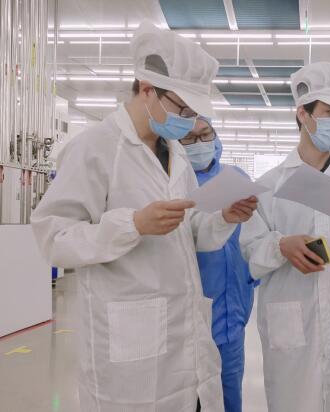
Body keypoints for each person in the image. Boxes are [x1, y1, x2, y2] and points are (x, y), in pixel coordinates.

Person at [31, 22, 257, 412]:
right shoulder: (94, 149)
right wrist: (133, 224)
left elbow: (189, 233)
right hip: (129, 348)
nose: (189, 119)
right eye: (183, 109)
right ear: (148, 89)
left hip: (185, 339)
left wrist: (223, 217)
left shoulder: (177, 153)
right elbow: (55, 239)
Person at [240, 62, 330, 412]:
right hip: (292, 324)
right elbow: (250, 251)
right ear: (303, 113)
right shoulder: (271, 184)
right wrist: (280, 246)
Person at [179, 119, 256, 412]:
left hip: (232, 310)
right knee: (189, 396)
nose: (200, 144)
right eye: (189, 138)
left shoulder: (235, 177)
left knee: (228, 393)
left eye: (205, 135)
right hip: (189, 311)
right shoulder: (172, 183)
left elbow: (255, 234)